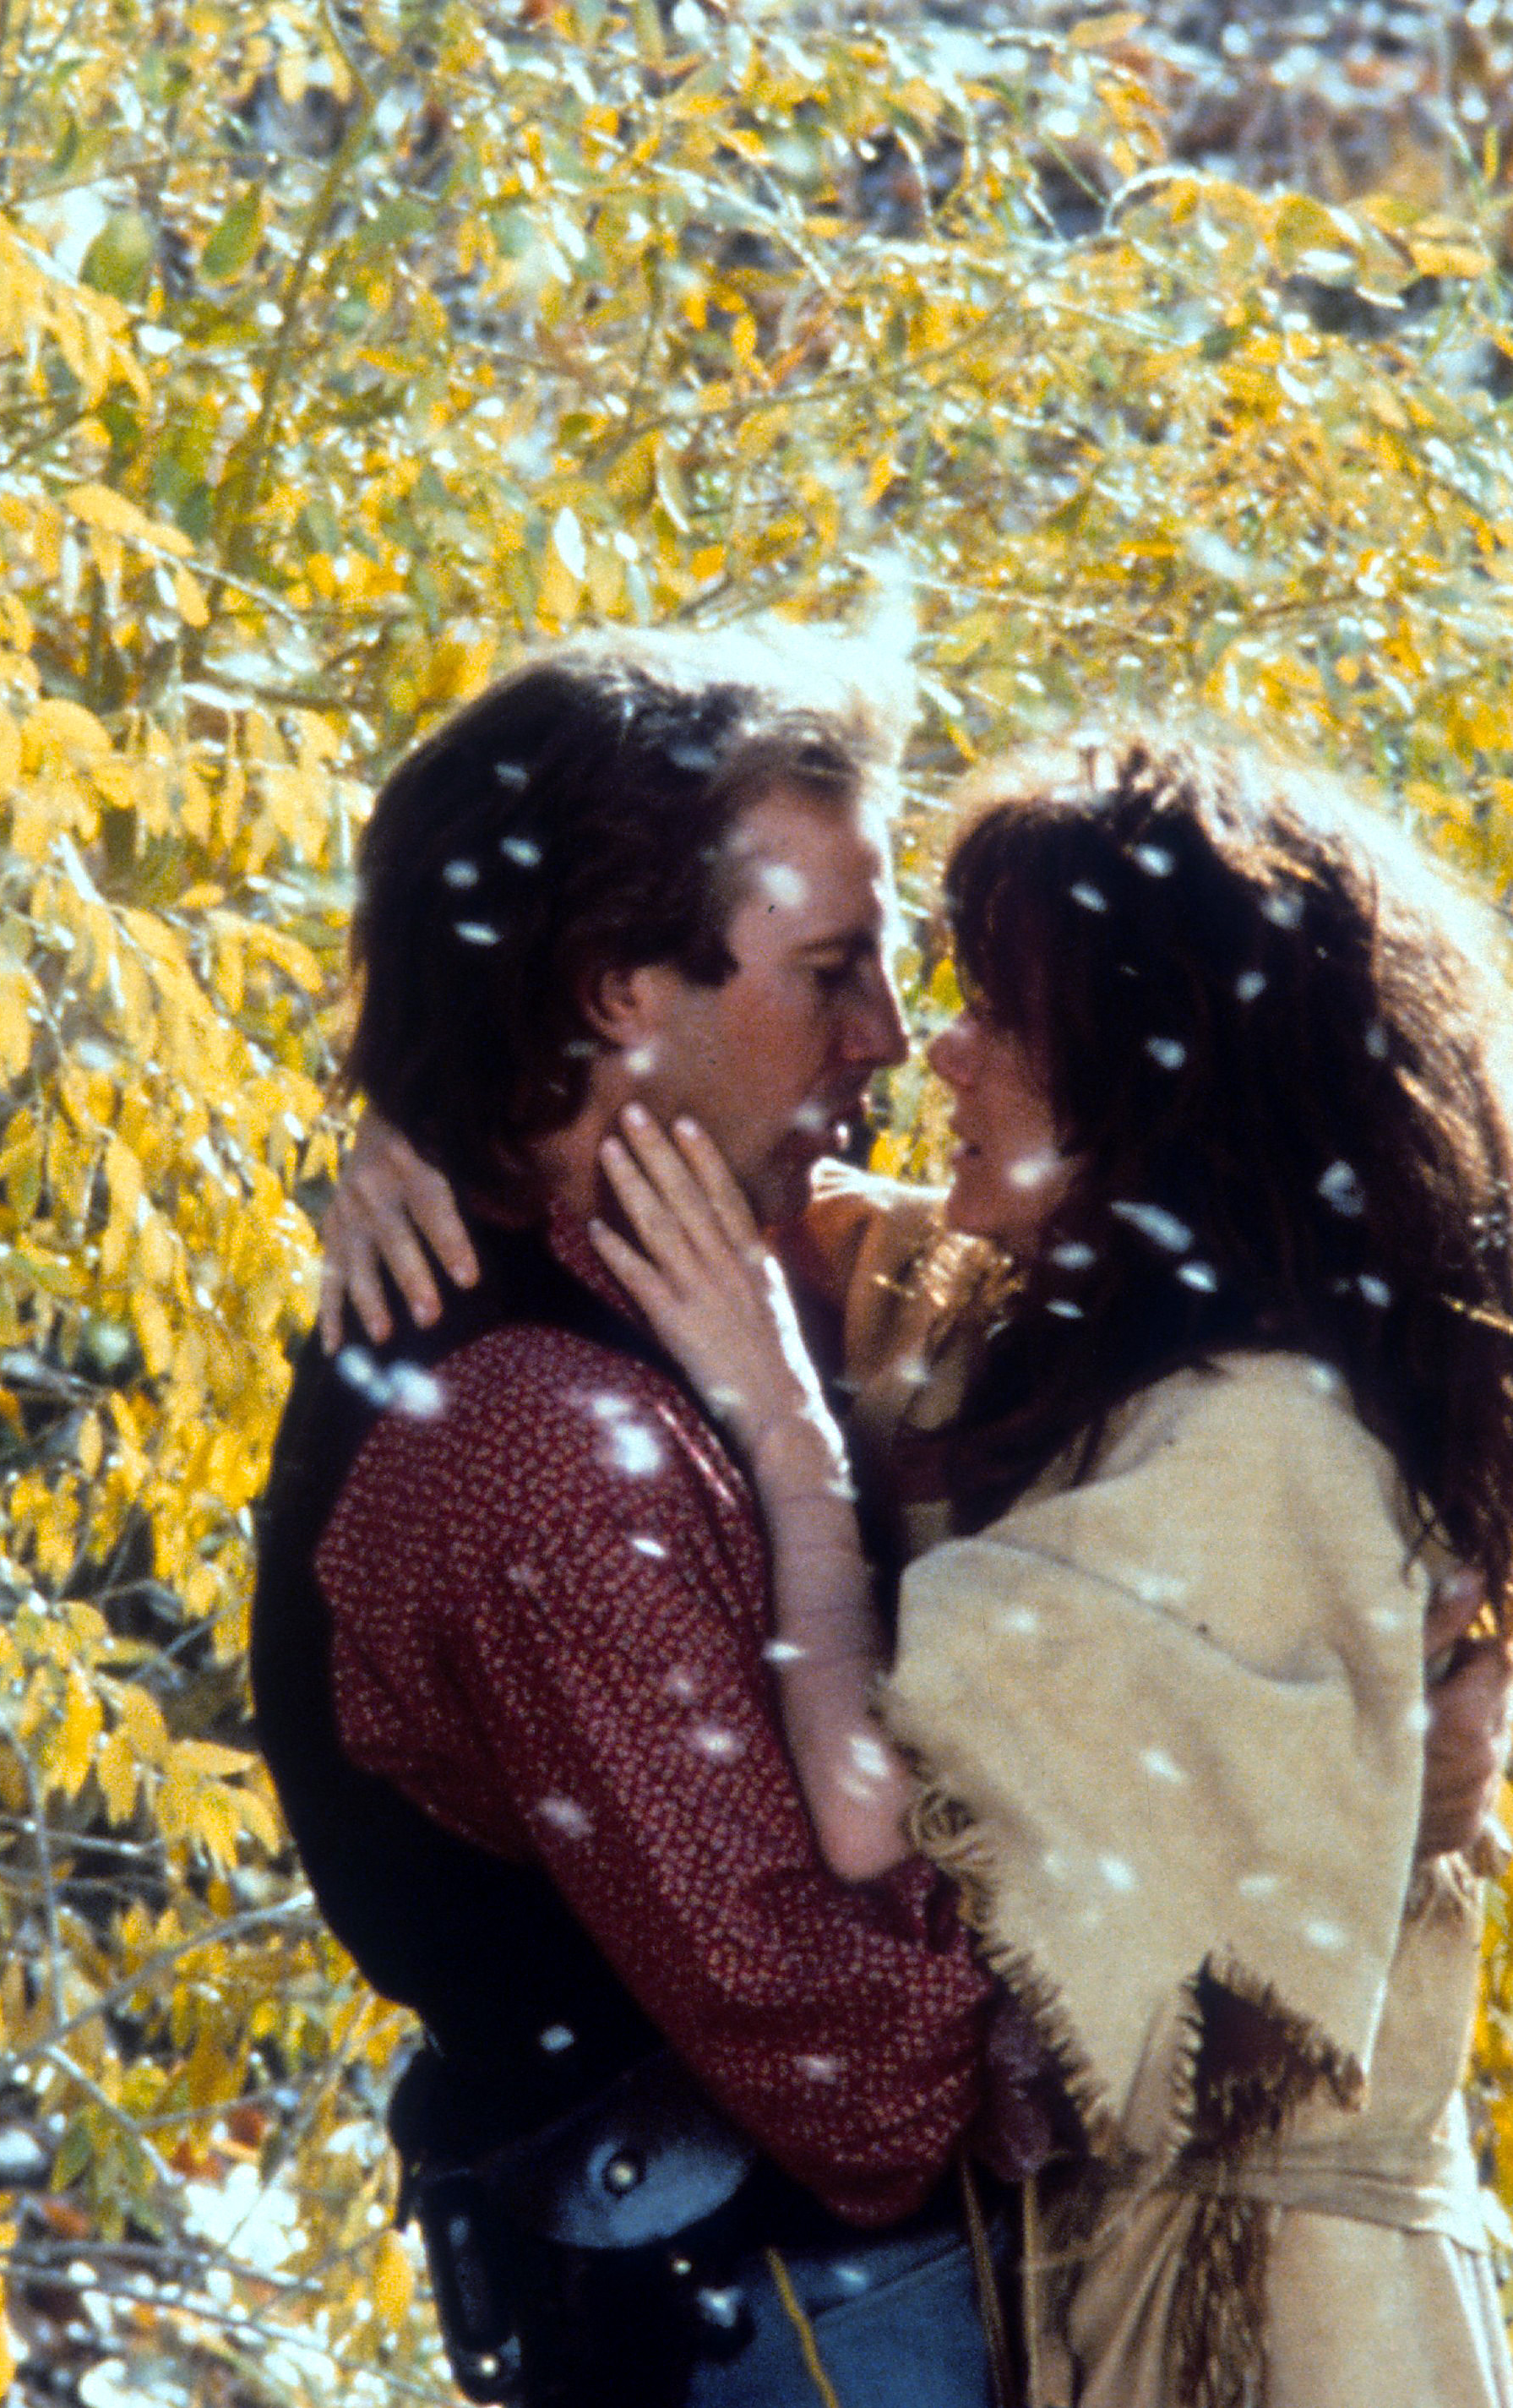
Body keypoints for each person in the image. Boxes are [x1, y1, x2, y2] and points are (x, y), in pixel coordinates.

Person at [324, 722, 1513, 2405]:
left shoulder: (1263, 1445)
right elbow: (703, 1197)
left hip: (1286, 2330)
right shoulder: (1046, 1329)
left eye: (998, 1009)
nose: (934, 1049)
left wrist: (790, 1445)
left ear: (1150, 1068)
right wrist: (437, 1146)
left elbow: (866, 1805)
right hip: (1102, 2293)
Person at [250, 625, 1033, 2408]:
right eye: (831, 973)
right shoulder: (535, 1444)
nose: (890, 1039)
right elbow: (866, 2081)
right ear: (615, 985)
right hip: (802, 2335)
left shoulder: (726, 1263)